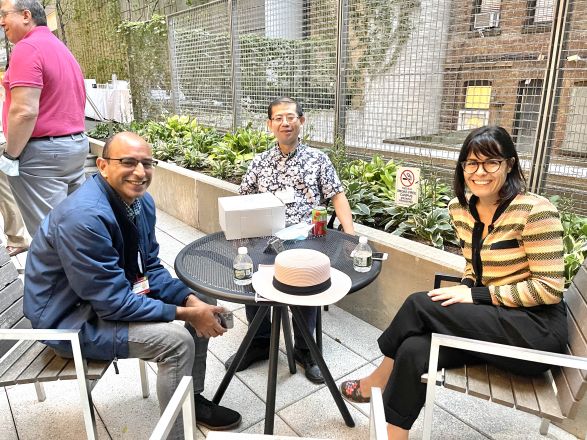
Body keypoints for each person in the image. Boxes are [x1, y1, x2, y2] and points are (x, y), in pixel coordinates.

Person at [339, 125, 568, 439]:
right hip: (492, 323)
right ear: (463, 167)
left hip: (532, 333)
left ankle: (377, 379)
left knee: (420, 303)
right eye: (471, 163)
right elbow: (473, 267)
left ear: (510, 164)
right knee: (414, 349)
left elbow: (550, 289)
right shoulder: (460, 209)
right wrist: (468, 286)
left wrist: (475, 297)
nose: (480, 172)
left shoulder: (535, 211)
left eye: (491, 162)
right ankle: (395, 435)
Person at [23, 132, 241, 438]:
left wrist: (192, 304)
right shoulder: (84, 218)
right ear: (102, 165)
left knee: (199, 300)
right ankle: (177, 434)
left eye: (146, 163)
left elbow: (149, 267)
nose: (140, 172)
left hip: (101, 299)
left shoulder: (141, 203)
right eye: (127, 162)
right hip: (69, 321)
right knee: (177, 342)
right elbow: (113, 303)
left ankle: (190, 399)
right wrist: (186, 314)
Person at [227, 96, 355, 384]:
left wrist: (351, 236)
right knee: (249, 273)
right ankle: (260, 342)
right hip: (265, 238)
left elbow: (337, 195)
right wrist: (237, 232)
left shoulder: (318, 160)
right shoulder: (259, 162)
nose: (285, 123)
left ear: (301, 121)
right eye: (279, 118)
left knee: (306, 279)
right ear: (270, 124)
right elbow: (243, 199)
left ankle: (305, 348)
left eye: (291, 117)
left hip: (305, 238)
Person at [0, 0, 88, 235]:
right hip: (73, 146)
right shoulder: (59, 47)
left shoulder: (27, 48)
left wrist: (10, 155)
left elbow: (24, 111)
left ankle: (56, 271)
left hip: (43, 155)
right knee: (72, 227)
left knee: (49, 234)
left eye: (4, 15)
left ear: (26, 15)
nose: (1, 22)